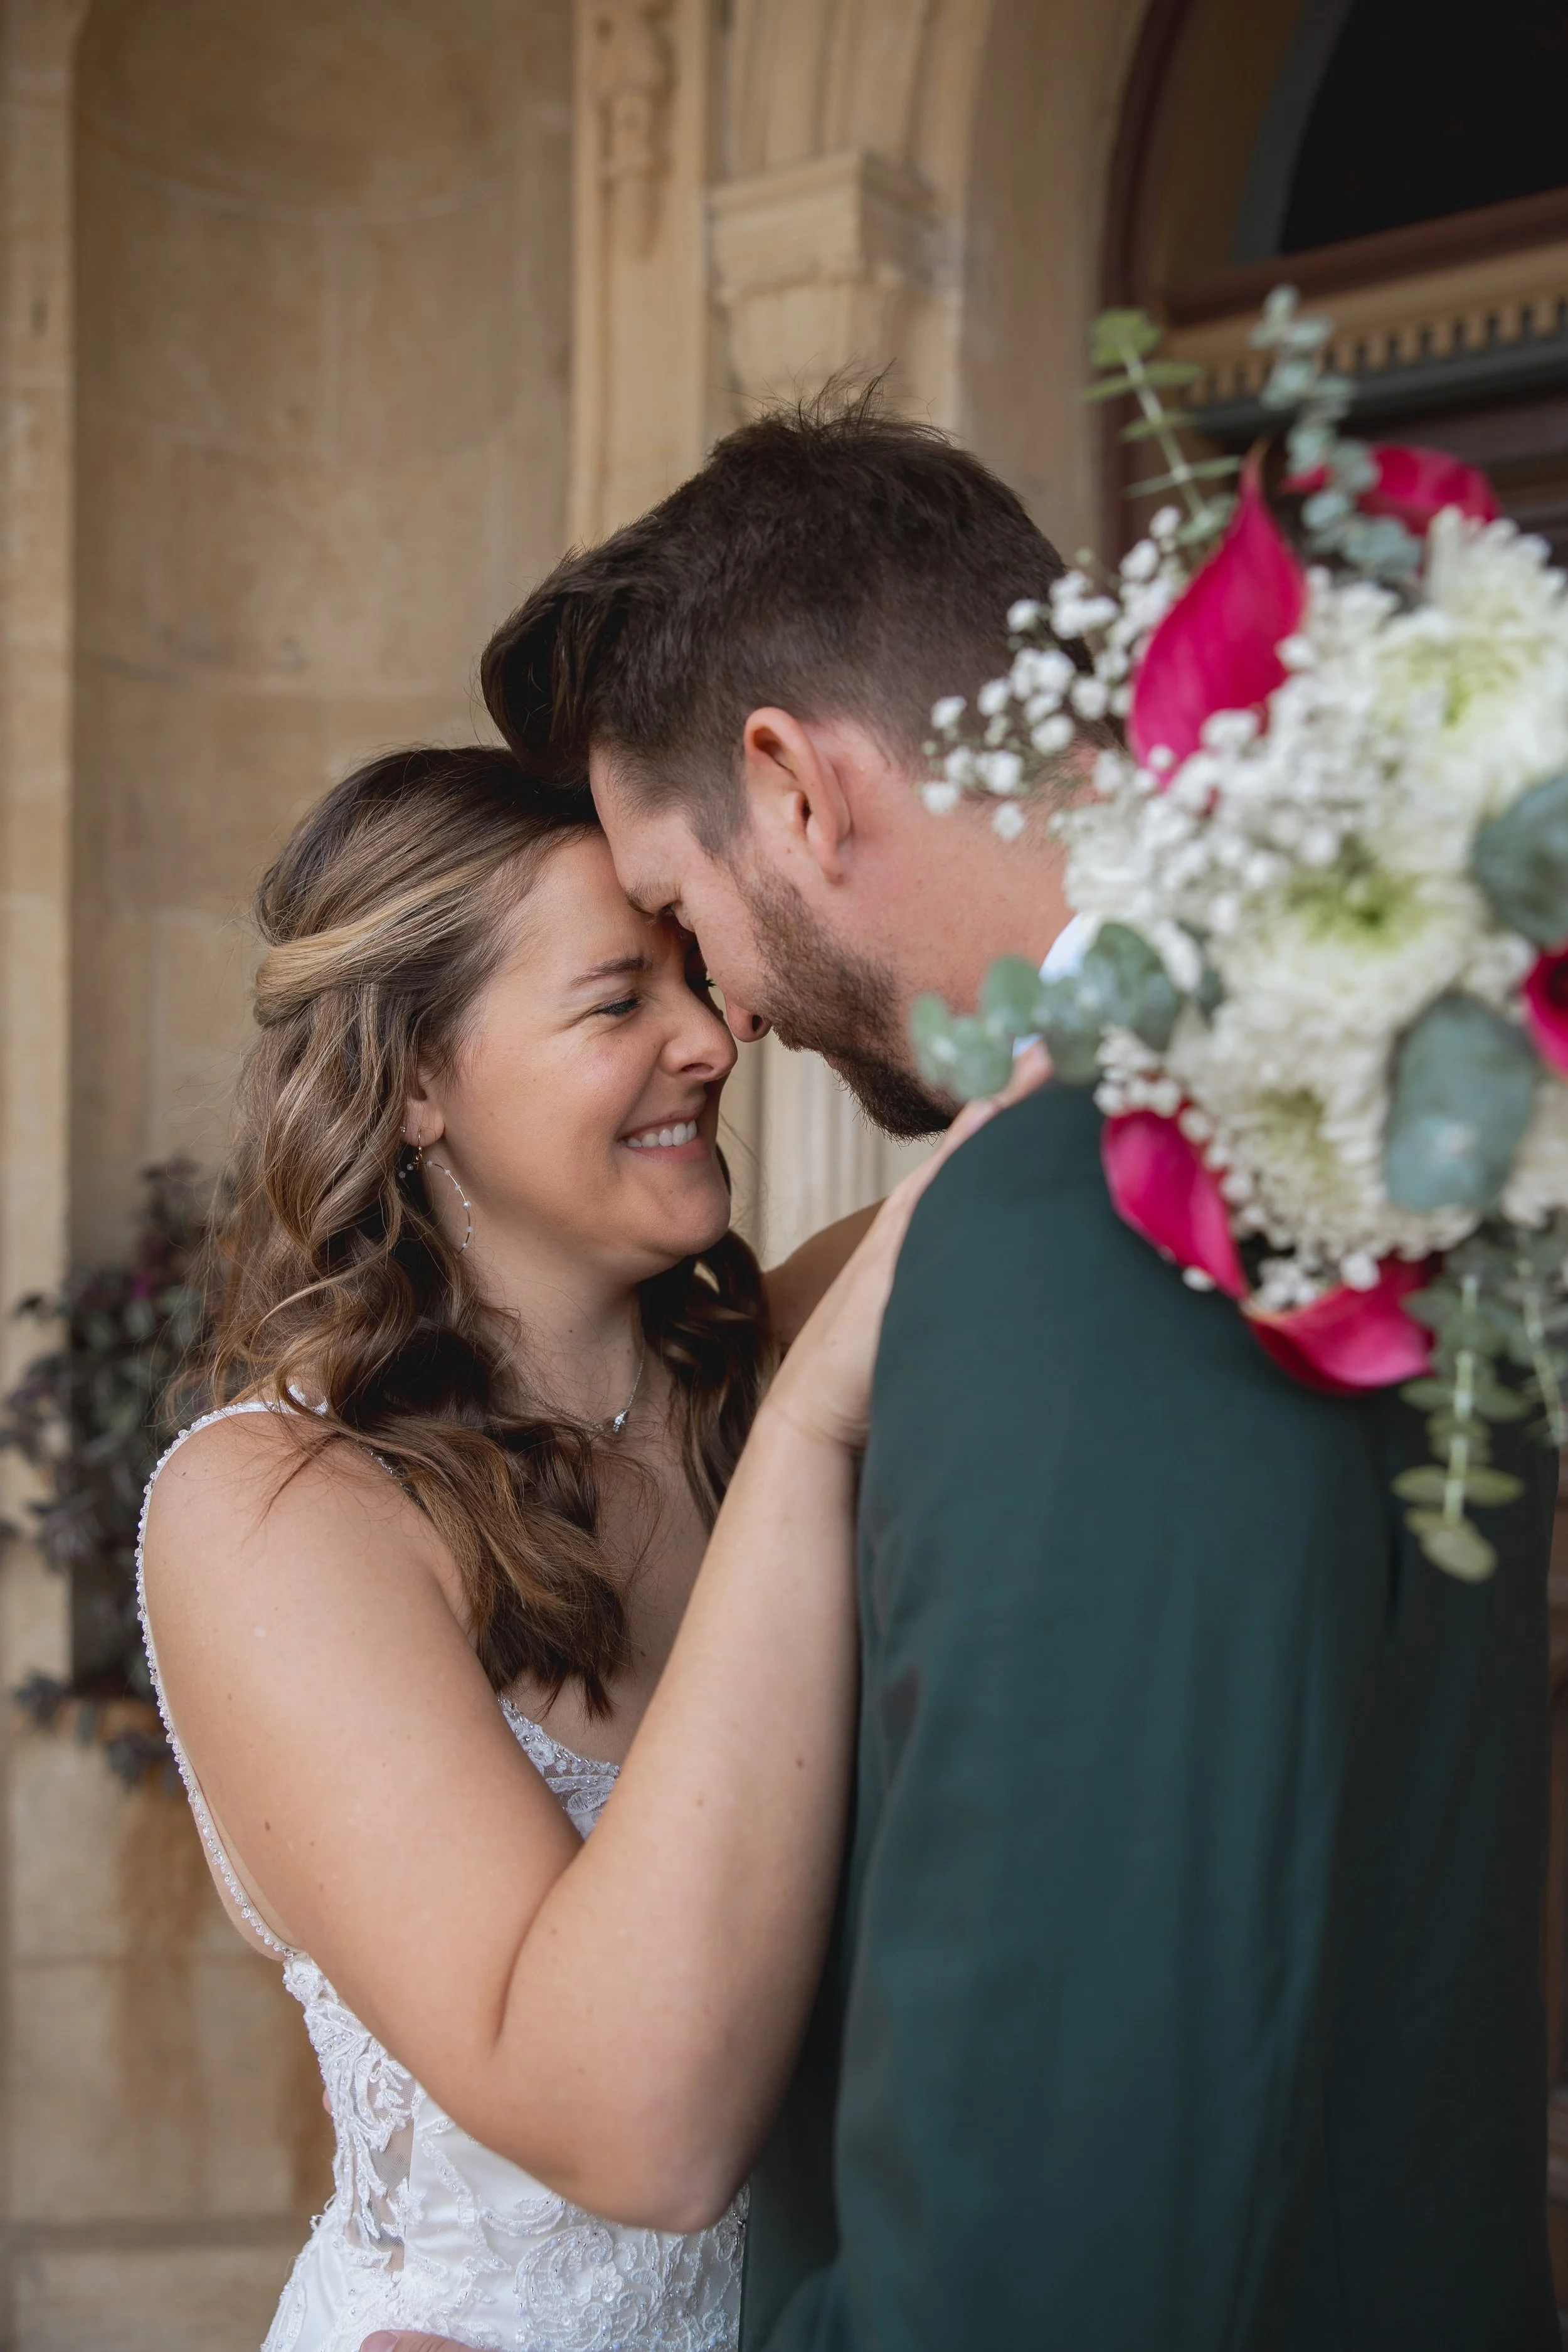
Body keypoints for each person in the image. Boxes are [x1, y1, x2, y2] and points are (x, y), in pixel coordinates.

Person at [465, 391, 1562, 2350]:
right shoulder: (1362, 1131)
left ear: (793, 784)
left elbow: (1044, 2271)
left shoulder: (1093, 1205)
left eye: (676, 909)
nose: (722, 1005)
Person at [138, 741, 1029, 2352]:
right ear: (413, 1083)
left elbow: (1083, 1124)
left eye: (695, 976)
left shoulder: (782, 1347)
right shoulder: (276, 1511)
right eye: (618, 1001)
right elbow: (641, 2138)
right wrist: (817, 1422)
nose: (712, 1040)